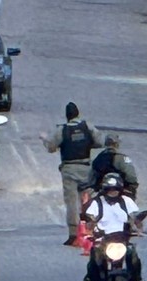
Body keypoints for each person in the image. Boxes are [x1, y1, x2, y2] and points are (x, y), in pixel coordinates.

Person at [40, 102, 103, 245]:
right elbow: (100, 141)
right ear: (78, 113)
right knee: (89, 199)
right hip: (87, 166)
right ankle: (91, 227)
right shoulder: (87, 127)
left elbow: (51, 147)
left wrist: (44, 139)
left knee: (71, 202)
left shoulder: (62, 130)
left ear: (67, 116)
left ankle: (74, 233)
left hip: (69, 169)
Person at [82, 173, 142, 281]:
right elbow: (90, 218)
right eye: (110, 190)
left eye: (115, 190)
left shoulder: (127, 201)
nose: (112, 192)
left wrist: (138, 226)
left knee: (133, 258)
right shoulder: (97, 202)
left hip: (122, 240)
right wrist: (90, 227)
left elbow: (135, 216)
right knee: (95, 261)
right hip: (102, 241)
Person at [83, 133, 139, 200]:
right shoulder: (121, 158)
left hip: (101, 190)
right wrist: (132, 186)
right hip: (120, 190)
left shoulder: (98, 158)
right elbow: (131, 176)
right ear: (117, 144)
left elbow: (91, 177)